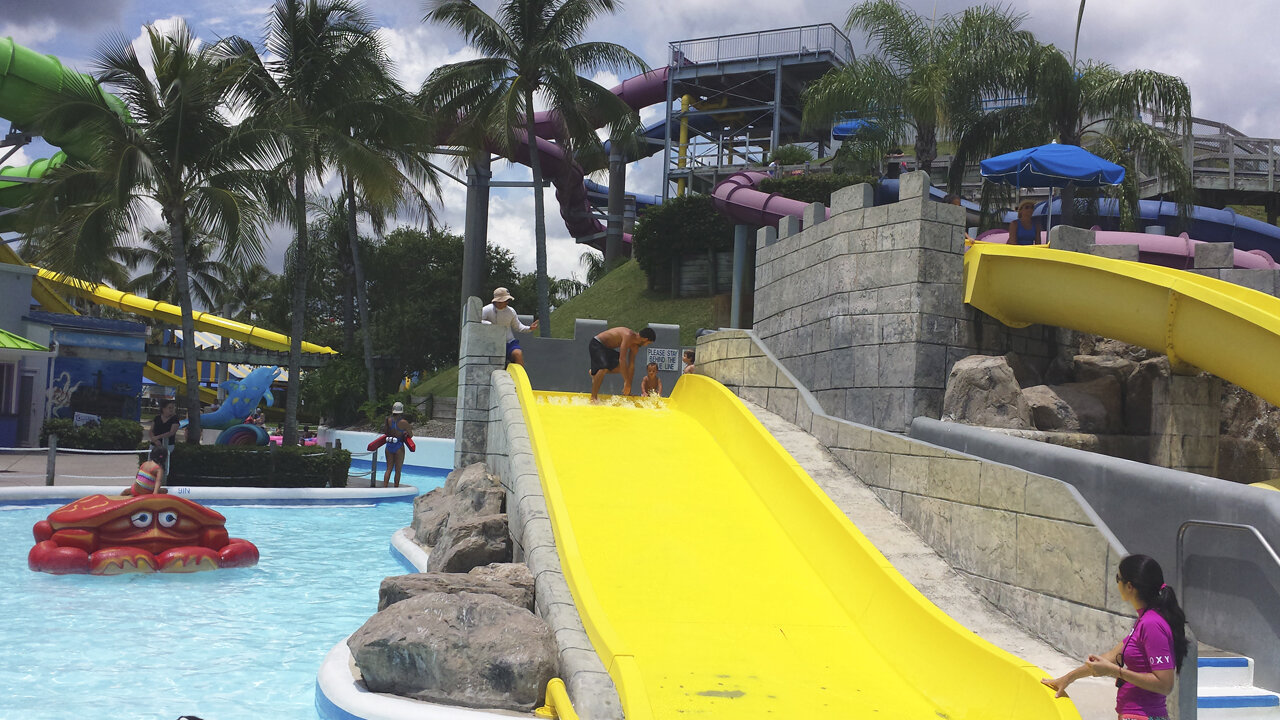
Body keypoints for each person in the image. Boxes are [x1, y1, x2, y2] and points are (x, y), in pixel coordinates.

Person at [1041, 554, 1188, 719]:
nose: (1117, 583)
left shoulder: (1152, 624)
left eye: (1118, 578)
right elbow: (1111, 657)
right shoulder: (1144, 620)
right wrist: (1068, 678)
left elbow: (1165, 684)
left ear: (1130, 586)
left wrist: (1115, 671)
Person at [589, 327, 656, 402]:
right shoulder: (628, 335)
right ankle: (593, 398)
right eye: (648, 343)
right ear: (645, 339)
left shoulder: (635, 346)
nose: (646, 345)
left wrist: (629, 387)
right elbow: (622, 359)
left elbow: (631, 366)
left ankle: (594, 372)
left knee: (621, 368)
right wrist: (626, 381)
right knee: (603, 368)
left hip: (607, 350)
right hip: (597, 344)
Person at [482, 287, 539, 366]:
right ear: (498, 301)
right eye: (505, 300)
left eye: (508, 300)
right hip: (492, 344)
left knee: (518, 354)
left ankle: (520, 376)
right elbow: (477, 321)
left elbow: (518, 326)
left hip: (509, 342)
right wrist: (489, 325)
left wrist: (529, 328)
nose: (507, 302)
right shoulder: (487, 310)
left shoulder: (511, 311)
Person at [381, 401, 413, 488]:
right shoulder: (404, 422)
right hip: (398, 446)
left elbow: (386, 432)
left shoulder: (388, 420)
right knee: (398, 470)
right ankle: (396, 487)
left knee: (388, 468)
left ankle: (385, 487)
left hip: (389, 445)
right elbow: (411, 435)